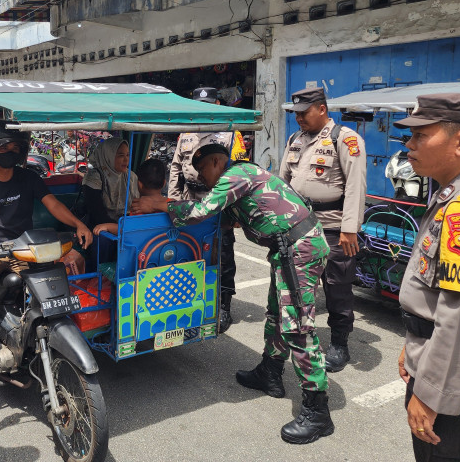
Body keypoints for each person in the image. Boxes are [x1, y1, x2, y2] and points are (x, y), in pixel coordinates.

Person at [132, 136, 334, 444]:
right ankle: (270, 371)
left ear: (215, 162)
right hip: (286, 251)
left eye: (202, 171)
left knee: (297, 327)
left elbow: (201, 211)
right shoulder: (235, 184)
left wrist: (161, 203)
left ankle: (318, 411)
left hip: (300, 249)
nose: (201, 179)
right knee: (275, 314)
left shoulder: (235, 176)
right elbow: (217, 221)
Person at [393, 93, 460, 462]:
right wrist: (415, 340)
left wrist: (432, 393)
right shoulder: (454, 195)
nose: (409, 144)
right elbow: (434, 295)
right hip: (452, 368)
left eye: (421, 135)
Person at [0, 122, 93, 375]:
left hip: (26, 248)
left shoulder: (29, 178)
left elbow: (54, 205)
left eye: (16, 147)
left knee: (61, 277)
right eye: (4, 146)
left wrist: (79, 224)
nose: (10, 151)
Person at [280, 86, 367, 372]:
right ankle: (301, 334)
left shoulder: (346, 138)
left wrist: (350, 228)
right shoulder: (295, 139)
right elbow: (283, 181)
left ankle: (340, 343)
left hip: (333, 226)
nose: (299, 119)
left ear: (322, 108)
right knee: (297, 282)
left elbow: (356, 186)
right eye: (296, 114)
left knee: (337, 286)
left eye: (304, 113)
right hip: (299, 225)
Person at [168, 86, 247, 332]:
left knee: (222, 254)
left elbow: (239, 174)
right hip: (190, 199)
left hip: (218, 203)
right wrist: (172, 199)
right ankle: (193, 300)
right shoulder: (185, 134)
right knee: (191, 253)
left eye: (209, 104)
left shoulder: (230, 133)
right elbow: (175, 169)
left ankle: (223, 305)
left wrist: (235, 210)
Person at [92, 158, 169, 236]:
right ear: (164, 183)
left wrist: (107, 226)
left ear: (139, 184)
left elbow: (127, 230)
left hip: (142, 248)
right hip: (168, 247)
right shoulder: (172, 205)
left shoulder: (138, 207)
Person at [82, 137, 140, 232]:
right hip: (101, 231)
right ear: (109, 155)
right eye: (121, 155)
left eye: (128, 155)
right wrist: (120, 229)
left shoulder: (131, 176)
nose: (126, 160)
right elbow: (97, 215)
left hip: (127, 229)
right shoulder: (94, 178)